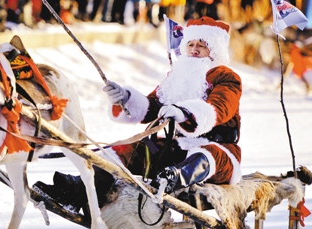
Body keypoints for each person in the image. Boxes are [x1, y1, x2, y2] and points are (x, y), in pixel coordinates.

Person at [33, 16, 242, 213]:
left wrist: (184, 113)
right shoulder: (178, 76)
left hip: (218, 152)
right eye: (191, 44)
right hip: (175, 147)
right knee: (120, 151)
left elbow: (219, 108)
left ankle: (171, 179)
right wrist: (124, 98)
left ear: (213, 49)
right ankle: (79, 191)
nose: (194, 50)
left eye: (202, 45)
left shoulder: (226, 76)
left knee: (205, 155)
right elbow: (151, 107)